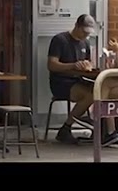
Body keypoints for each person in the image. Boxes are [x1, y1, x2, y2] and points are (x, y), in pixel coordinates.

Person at [47, 14, 98, 145]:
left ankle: (95, 123)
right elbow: (52, 65)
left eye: (88, 33)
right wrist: (73, 65)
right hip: (62, 82)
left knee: (99, 91)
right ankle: (66, 127)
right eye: (84, 32)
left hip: (79, 80)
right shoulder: (60, 40)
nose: (85, 36)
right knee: (92, 95)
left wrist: (88, 66)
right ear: (77, 26)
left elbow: (88, 62)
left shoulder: (85, 43)